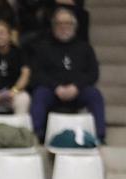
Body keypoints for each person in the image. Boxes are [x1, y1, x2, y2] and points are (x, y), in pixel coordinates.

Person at [29, 8, 105, 143]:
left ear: (74, 26)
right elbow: (36, 74)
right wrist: (56, 87)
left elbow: (93, 73)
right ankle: (37, 135)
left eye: (68, 23)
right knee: (39, 94)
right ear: (53, 26)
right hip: (52, 91)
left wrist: (76, 87)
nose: (63, 27)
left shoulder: (85, 47)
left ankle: (100, 135)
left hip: (78, 91)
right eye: (59, 24)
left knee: (95, 94)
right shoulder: (43, 47)